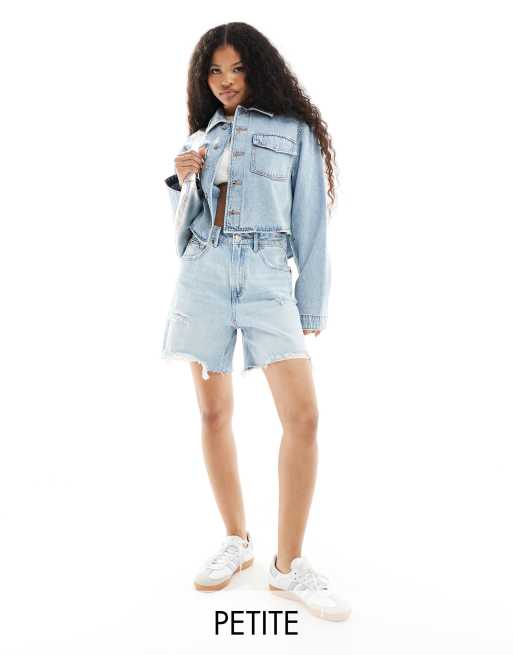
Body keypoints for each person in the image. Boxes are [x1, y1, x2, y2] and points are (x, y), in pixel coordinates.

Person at [161, 22, 351, 622]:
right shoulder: (202, 136)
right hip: (204, 273)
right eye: (214, 71)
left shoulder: (295, 133)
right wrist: (183, 182)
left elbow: (312, 223)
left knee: (304, 417)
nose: (225, 81)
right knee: (213, 414)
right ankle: (236, 540)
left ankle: (287, 565)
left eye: (236, 68)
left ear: (258, 68)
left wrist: (310, 302)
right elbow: (183, 234)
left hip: (268, 273)